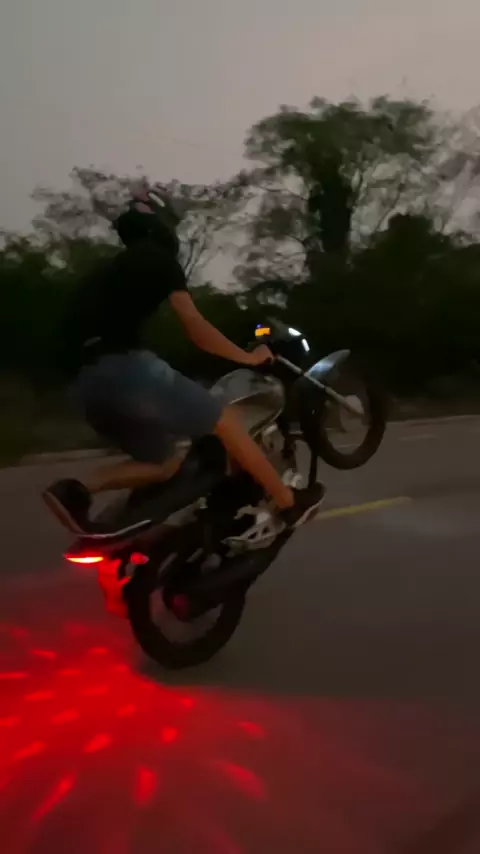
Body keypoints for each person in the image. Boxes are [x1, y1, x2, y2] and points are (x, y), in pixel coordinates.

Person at [43, 186, 324, 536]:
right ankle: (288, 503)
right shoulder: (158, 259)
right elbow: (196, 328)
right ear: (163, 225)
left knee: (163, 463)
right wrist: (248, 357)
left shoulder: (103, 271)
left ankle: (76, 492)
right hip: (124, 368)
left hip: (83, 387)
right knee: (224, 422)